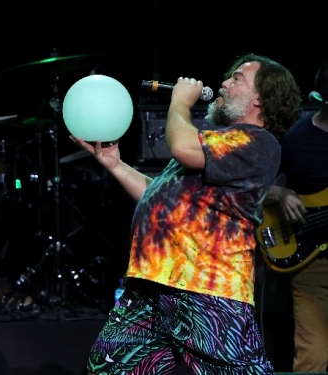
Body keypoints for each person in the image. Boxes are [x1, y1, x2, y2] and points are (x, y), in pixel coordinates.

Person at [72, 53, 301, 374]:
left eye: (236, 79)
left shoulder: (258, 143)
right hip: (151, 287)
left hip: (209, 293)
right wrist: (115, 165)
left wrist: (180, 102)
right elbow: (160, 198)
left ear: (261, 99)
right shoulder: (215, 143)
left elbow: (181, 147)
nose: (224, 83)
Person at [265, 63, 328, 372]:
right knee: (313, 358)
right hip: (312, 263)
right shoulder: (296, 140)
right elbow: (248, 185)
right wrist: (280, 194)